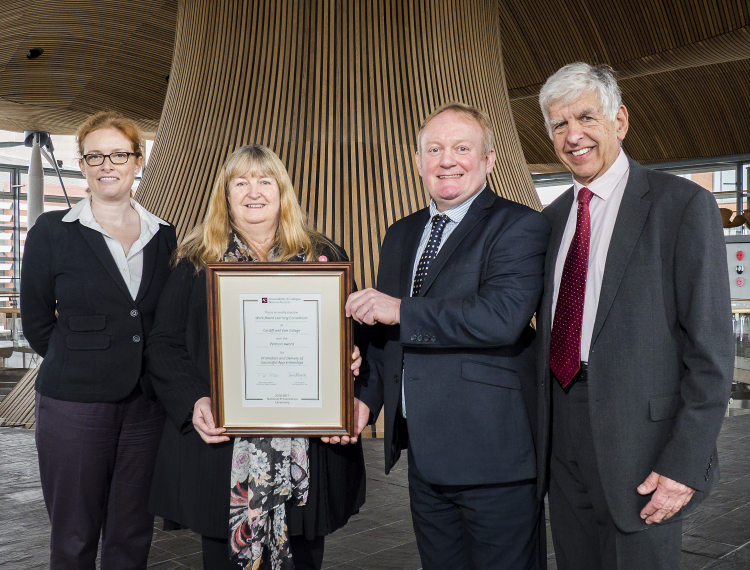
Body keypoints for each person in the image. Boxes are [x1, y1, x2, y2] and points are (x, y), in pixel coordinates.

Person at [536, 62, 733, 570]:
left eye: (585, 118)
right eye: (559, 124)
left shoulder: (681, 206)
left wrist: (684, 465)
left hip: (643, 449)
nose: (573, 135)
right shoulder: (551, 220)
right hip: (562, 437)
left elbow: (711, 351)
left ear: (619, 121)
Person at [346, 102, 550, 569]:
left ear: (488, 159)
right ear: (418, 162)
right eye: (434, 149)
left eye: (462, 148)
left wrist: (399, 309)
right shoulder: (401, 234)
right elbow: (386, 338)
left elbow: (500, 317)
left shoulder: (519, 225)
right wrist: (365, 399)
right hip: (425, 457)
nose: (447, 160)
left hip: (494, 456)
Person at [144, 144, 366, 570]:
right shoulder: (195, 261)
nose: (254, 191)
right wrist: (195, 400)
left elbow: (357, 338)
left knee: (304, 555)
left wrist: (350, 356)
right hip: (224, 457)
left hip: (307, 455)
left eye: (265, 181)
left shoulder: (325, 257)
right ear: (225, 194)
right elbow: (163, 344)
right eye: (241, 182)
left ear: (282, 192)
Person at [20, 111, 177, 569]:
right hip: (74, 404)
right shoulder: (52, 232)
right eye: (95, 155)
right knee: (73, 535)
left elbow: (166, 320)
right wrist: (81, 361)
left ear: (137, 160)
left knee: (132, 534)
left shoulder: (163, 234)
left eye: (119, 154)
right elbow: (37, 323)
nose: (107, 164)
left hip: (146, 406)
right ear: (82, 164)